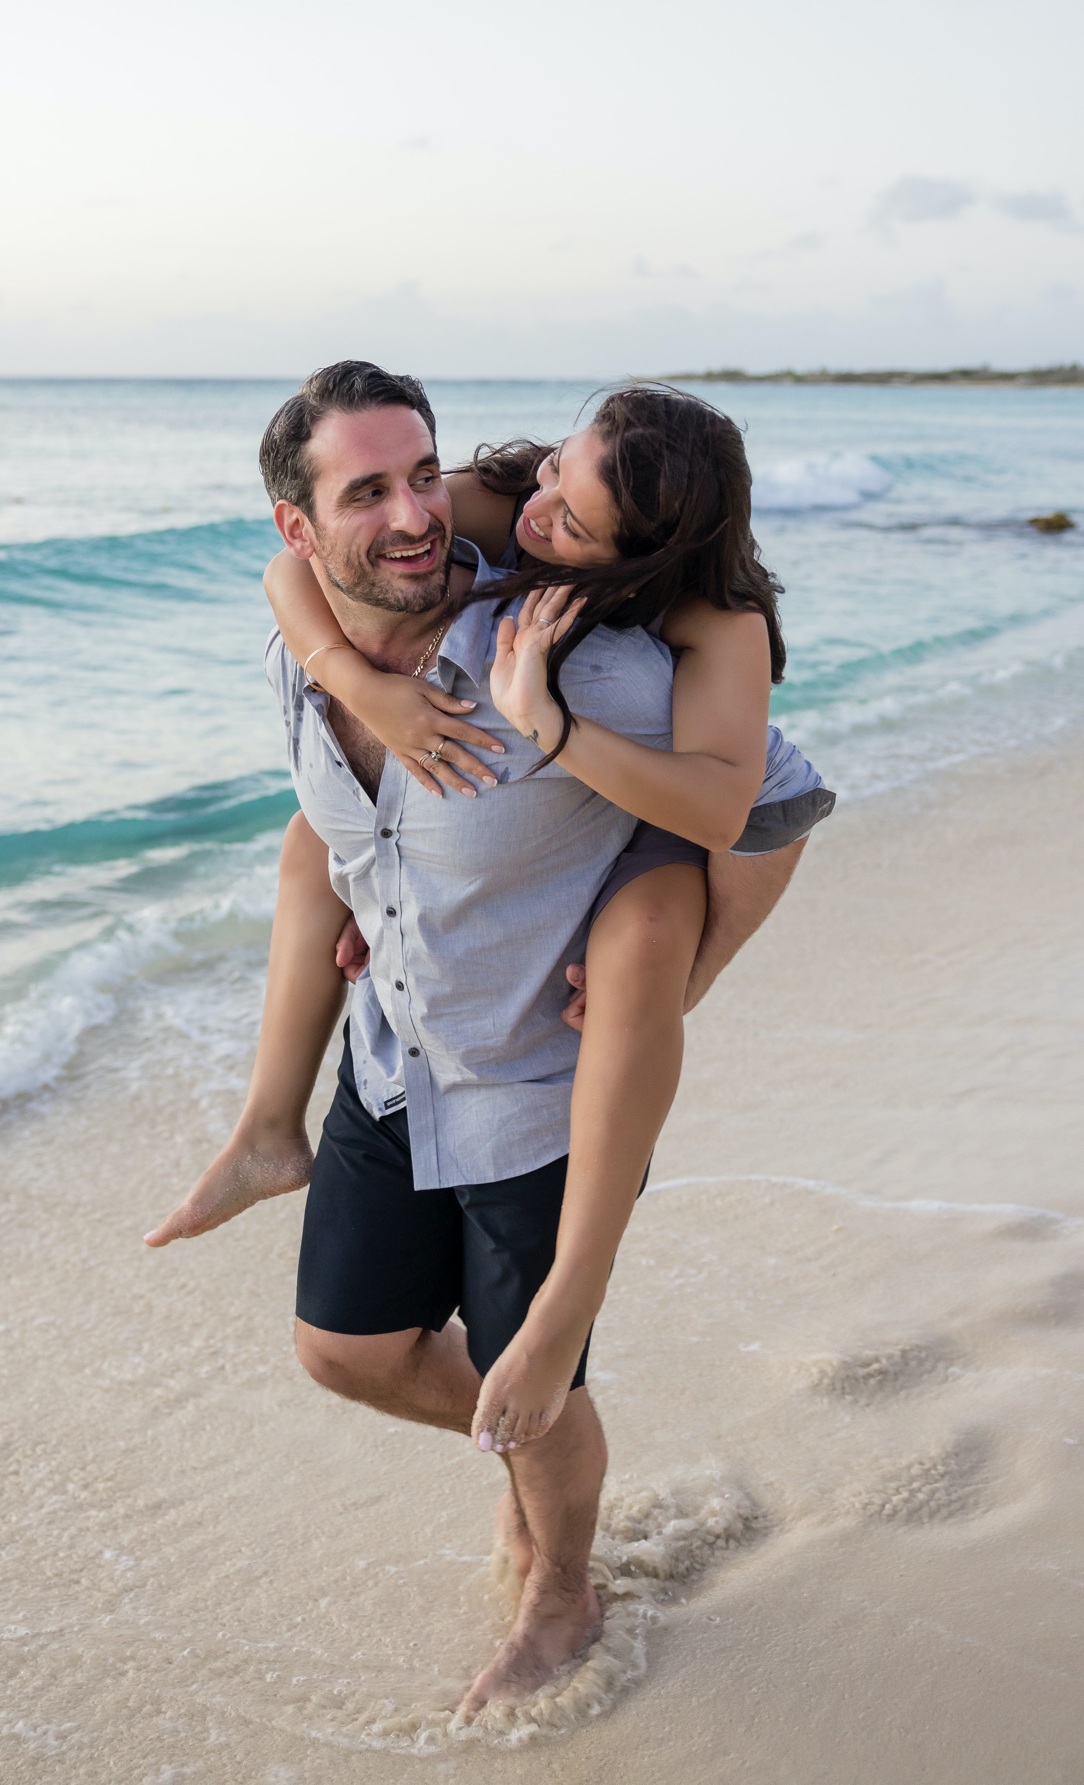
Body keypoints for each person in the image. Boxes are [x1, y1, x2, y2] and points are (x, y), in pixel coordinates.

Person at [145, 362, 682, 1713]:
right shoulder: (296, 650)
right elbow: (323, 829)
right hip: (387, 1060)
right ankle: (530, 1446)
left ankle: (563, 1581)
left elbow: (769, 805)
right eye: (366, 490)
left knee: (536, 1380)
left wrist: (668, 964)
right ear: (297, 529)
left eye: (423, 474)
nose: (411, 514)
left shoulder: (575, 664)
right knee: (347, 1346)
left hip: (535, 1092)